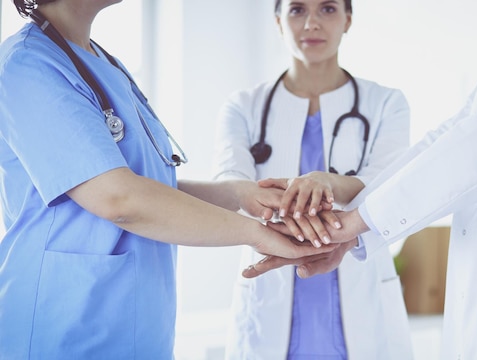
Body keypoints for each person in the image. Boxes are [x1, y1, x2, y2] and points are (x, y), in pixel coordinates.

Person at [245, 0, 477, 358]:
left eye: (327, 7)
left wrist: (356, 222)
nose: (312, 21)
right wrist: (358, 225)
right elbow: (456, 132)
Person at [0, 1, 335, 358]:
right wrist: (256, 233)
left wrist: (237, 194)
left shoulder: (104, 63)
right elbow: (118, 199)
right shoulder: (28, 65)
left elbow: (148, 186)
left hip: (136, 331)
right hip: (63, 329)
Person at [212, 0, 413, 358]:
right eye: (297, 10)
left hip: (359, 289)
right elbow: (232, 183)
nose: (311, 24)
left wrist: (328, 182)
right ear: (278, 21)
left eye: (328, 9)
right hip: (271, 298)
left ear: (348, 19)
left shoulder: (386, 103)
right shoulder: (243, 106)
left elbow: (390, 182)